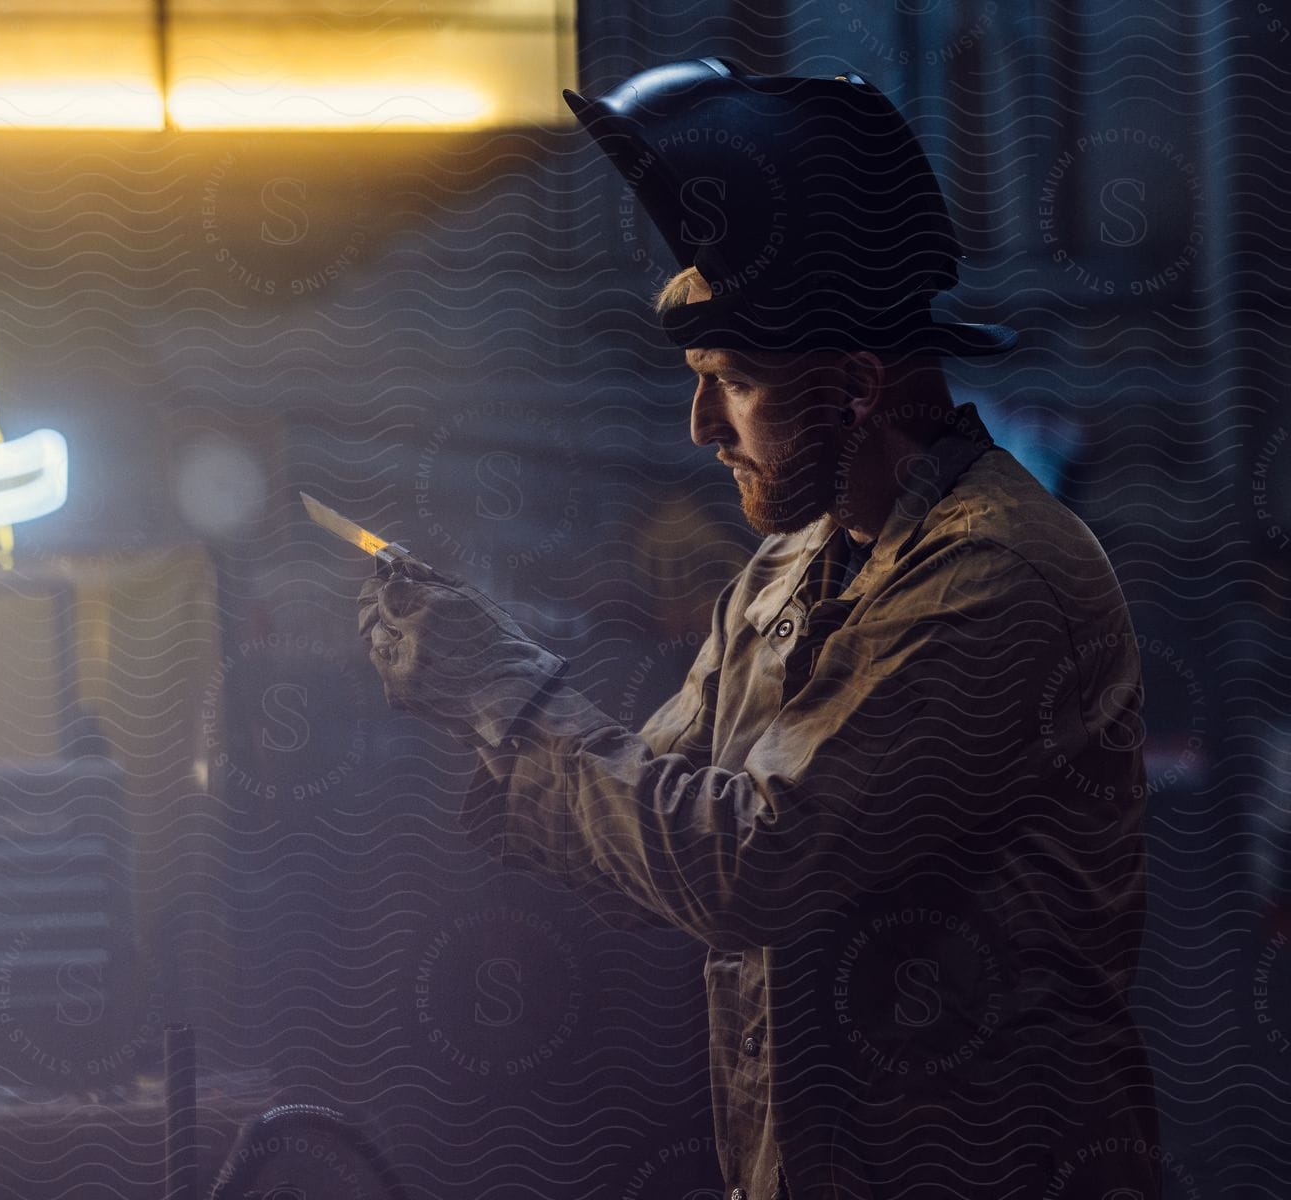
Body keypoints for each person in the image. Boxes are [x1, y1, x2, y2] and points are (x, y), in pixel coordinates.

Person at [357, 59, 1161, 1200]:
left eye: (730, 381)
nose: (700, 426)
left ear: (857, 386)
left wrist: (513, 691)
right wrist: (473, 695)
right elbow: (650, 818)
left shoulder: (996, 571)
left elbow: (748, 863)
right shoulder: (792, 568)